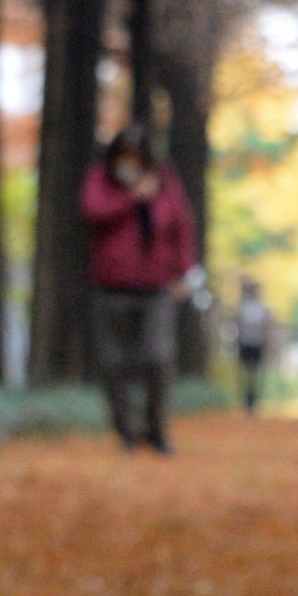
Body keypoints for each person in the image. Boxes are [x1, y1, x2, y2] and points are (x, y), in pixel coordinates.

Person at [80, 123, 198, 454]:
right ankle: (126, 431)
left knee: (158, 357)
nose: (129, 163)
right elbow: (92, 211)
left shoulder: (165, 181)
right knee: (113, 363)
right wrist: (132, 199)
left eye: (136, 156)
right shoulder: (100, 178)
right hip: (109, 287)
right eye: (124, 155)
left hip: (156, 288)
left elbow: (182, 227)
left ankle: (156, 428)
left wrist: (183, 272)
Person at [234, 275, 275, 412]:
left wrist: (267, 342)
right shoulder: (243, 307)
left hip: (257, 343)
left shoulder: (261, 308)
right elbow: (238, 326)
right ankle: (246, 399)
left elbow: (266, 326)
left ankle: (253, 400)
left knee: (254, 372)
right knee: (246, 372)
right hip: (246, 343)